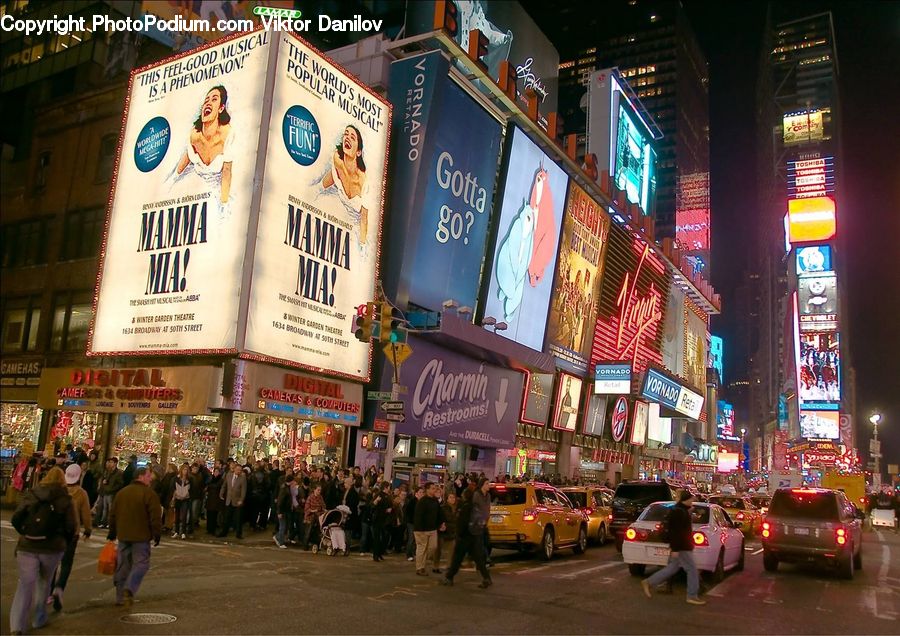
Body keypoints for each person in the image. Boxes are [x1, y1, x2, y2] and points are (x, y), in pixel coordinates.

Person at [10, 466, 76, 635]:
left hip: (27, 545)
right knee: (44, 582)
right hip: (52, 547)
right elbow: (71, 526)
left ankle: (17, 625)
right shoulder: (66, 498)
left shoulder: (33, 493)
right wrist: (64, 542)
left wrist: (25, 532)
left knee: (25, 584)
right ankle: (39, 618)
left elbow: (17, 517)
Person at [107, 467, 162, 607]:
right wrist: (157, 534)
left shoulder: (122, 493)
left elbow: (113, 514)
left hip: (124, 535)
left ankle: (120, 597)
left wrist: (112, 533)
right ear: (141, 476)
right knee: (141, 564)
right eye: (149, 476)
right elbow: (155, 517)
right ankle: (130, 588)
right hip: (141, 536)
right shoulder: (149, 494)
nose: (151, 478)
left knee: (123, 565)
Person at [640, 491, 706, 605]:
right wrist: (675, 548)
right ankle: (692, 596)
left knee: (672, 568)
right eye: (691, 500)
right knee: (692, 570)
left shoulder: (681, 510)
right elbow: (676, 532)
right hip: (682, 547)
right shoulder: (679, 512)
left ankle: (649, 582)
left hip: (682, 546)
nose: (692, 502)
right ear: (686, 499)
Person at [174, 85, 234, 207]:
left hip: (219, 192)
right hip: (194, 191)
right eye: (206, 100)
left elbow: (227, 171)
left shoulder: (228, 134)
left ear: (221, 108)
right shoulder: (194, 135)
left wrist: (223, 204)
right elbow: (180, 168)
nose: (208, 103)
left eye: (214, 99)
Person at [47, 464, 92, 612]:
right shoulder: (81, 493)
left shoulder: (58, 492)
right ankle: (59, 588)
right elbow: (86, 514)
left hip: (55, 532)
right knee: (66, 563)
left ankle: (49, 592)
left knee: (53, 562)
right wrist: (88, 530)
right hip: (72, 532)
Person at [320, 124, 370, 242]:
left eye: (353, 137)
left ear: (358, 152)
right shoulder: (337, 164)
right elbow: (320, 187)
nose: (347, 137)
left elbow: (364, 220)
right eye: (346, 134)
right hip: (337, 225)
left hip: (357, 231)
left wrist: (362, 247)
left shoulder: (364, 182)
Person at [440, 478, 492, 589]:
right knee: (478, 558)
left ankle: (449, 577)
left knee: (457, 558)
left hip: (465, 536)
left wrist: (459, 534)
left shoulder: (465, 507)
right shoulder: (475, 506)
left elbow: (462, 523)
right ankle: (486, 577)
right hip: (476, 533)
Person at [413, 483, 443, 576]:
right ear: (427, 490)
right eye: (433, 488)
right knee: (422, 548)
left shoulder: (435, 501)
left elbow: (439, 514)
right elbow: (418, 516)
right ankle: (420, 568)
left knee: (433, 547)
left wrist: (441, 523)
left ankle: (422, 564)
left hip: (433, 529)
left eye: (435, 488)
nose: (435, 490)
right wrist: (420, 529)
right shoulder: (422, 501)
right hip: (422, 529)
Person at [217, 463, 247, 539]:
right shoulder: (229, 475)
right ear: (234, 469)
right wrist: (221, 493)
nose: (239, 471)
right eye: (237, 470)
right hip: (229, 499)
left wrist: (241, 500)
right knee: (226, 517)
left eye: (240, 470)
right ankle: (224, 532)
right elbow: (224, 485)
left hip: (237, 501)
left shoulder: (242, 478)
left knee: (238, 518)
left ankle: (238, 534)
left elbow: (244, 490)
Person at [94, 458, 123, 528]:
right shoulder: (108, 471)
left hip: (112, 493)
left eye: (111, 462)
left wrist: (112, 489)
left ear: (115, 463)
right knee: (105, 509)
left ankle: (109, 523)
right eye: (109, 462)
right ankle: (103, 522)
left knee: (110, 509)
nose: (110, 463)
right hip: (106, 491)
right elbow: (105, 480)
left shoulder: (119, 473)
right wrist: (104, 483)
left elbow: (120, 483)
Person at [435, 492, 458, 574]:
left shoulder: (456, 508)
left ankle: (449, 566)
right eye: (450, 497)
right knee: (438, 550)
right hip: (443, 531)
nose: (452, 499)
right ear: (447, 499)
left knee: (451, 550)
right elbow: (444, 518)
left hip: (452, 531)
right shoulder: (444, 508)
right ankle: (436, 566)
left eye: (453, 498)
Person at [273, 474, 294, 549]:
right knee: (282, 526)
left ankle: (277, 537)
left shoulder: (286, 487)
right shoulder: (284, 489)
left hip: (285, 510)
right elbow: (280, 501)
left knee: (284, 526)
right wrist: (279, 512)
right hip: (283, 511)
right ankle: (280, 542)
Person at [303, 485, 326, 550]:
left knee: (318, 532)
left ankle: (317, 545)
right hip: (311, 516)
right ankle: (305, 545)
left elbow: (323, 505)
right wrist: (313, 510)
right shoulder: (310, 497)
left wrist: (323, 509)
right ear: (314, 490)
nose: (319, 491)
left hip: (318, 516)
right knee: (308, 531)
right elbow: (306, 508)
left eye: (320, 490)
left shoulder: (320, 497)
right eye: (318, 490)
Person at [172, 465, 191, 539]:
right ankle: (176, 531)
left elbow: (191, 489)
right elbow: (173, 487)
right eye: (184, 470)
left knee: (184, 515)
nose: (185, 471)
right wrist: (175, 495)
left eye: (186, 470)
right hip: (178, 498)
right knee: (177, 515)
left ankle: (183, 532)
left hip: (185, 499)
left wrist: (187, 494)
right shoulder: (177, 479)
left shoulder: (189, 479)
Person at [404, 487, 423, 562]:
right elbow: (408, 512)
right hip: (411, 523)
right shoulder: (412, 502)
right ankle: (409, 554)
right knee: (411, 538)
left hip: (419, 523)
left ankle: (414, 552)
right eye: (420, 492)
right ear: (416, 494)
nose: (422, 494)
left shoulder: (422, 502)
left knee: (417, 539)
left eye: (422, 492)